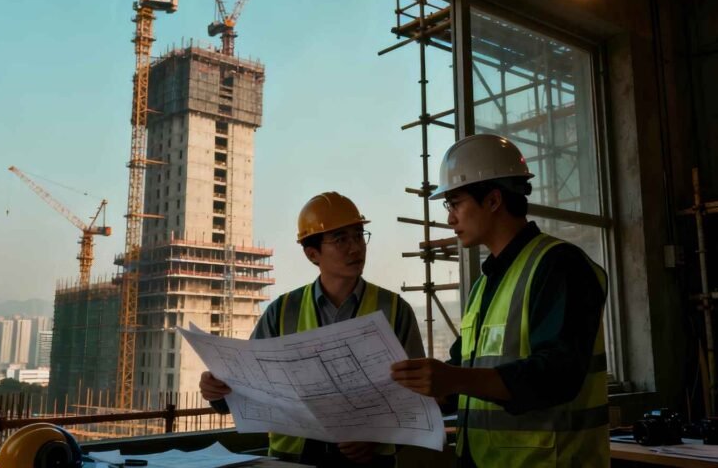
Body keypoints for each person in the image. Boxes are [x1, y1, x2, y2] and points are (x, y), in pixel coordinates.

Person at [390, 134, 609, 467]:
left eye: (455, 203)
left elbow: (558, 374)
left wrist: (453, 379)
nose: (450, 218)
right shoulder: (485, 284)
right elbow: (463, 372)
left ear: (493, 200)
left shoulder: (560, 265)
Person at [200, 191, 425, 467]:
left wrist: (377, 438)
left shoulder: (394, 309)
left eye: (358, 235)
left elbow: (418, 397)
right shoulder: (282, 312)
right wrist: (216, 391)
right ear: (312, 254)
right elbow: (246, 387)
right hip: (293, 459)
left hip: (370, 459)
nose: (355, 248)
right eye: (341, 239)